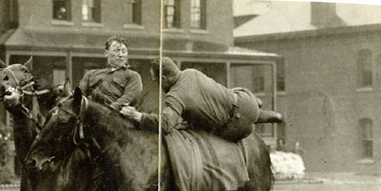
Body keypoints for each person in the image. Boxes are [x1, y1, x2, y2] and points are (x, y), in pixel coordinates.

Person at [120, 57, 283, 142]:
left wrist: (137, 116)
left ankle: (260, 115)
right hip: (245, 99)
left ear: (163, 78)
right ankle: (271, 115)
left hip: (238, 127)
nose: (155, 83)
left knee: (202, 133)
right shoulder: (190, 72)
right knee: (236, 103)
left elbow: (166, 124)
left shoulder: (176, 95)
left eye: (155, 80)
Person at [76, 35, 143, 191]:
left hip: (117, 125)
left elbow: (129, 97)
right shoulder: (92, 74)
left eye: (124, 51)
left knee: (102, 155)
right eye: (116, 50)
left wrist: (107, 110)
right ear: (106, 53)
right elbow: (78, 95)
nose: (121, 55)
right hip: (89, 123)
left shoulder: (132, 76)